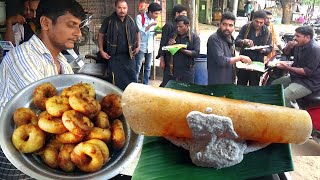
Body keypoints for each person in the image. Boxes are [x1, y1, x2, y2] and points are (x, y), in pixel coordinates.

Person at [0, 0, 85, 178]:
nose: (78, 33)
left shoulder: (63, 62)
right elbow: (46, 110)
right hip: (16, 154)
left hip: (45, 153)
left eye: (79, 26)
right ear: (45, 23)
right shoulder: (23, 58)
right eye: (71, 25)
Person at [271, 26, 320, 107]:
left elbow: (307, 72)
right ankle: (291, 105)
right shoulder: (299, 45)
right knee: (274, 85)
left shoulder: (315, 49)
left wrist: (286, 68)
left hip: (309, 82)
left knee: (283, 96)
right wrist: (288, 47)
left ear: (307, 37)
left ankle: (292, 115)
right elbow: (286, 53)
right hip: (296, 77)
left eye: (298, 36)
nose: (294, 38)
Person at [98, 0, 140, 90]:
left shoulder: (131, 20)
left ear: (127, 8)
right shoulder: (108, 21)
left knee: (132, 79)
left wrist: (139, 46)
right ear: (115, 8)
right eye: (119, 8)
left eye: (124, 8)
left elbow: (138, 32)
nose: (122, 10)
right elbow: (100, 34)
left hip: (129, 56)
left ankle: (130, 98)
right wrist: (101, 50)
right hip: (114, 57)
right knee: (115, 81)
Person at [207, 12, 251, 85]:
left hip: (229, 79)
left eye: (231, 25)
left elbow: (230, 58)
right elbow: (222, 60)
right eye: (224, 24)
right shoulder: (214, 39)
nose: (227, 28)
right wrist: (239, 58)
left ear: (234, 27)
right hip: (217, 81)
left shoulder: (230, 38)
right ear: (220, 24)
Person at [235, 10, 272, 86]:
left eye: (261, 22)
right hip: (243, 63)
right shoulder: (246, 28)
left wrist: (264, 50)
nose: (258, 24)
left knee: (254, 85)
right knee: (241, 84)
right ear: (253, 19)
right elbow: (236, 41)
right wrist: (244, 41)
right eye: (256, 21)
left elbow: (270, 48)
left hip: (257, 64)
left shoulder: (267, 32)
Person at [156, 4, 188, 87]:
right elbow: (162, 43)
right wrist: (162, 59)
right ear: (177, 14)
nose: (185, 16)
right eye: (183, 14)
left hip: (178, 59)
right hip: (168, 57)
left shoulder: (185, 26)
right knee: (167, 80)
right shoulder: (168, 26)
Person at [164, 15, 200, 84]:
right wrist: (169, 45)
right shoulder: (173, 36)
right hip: (174, 72)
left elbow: (196, 53)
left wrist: (180, 49)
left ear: (187, 26)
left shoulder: (194, 38)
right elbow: (166, 52)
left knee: (187, 92)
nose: (178, 29)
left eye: (181, 27)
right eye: (177, 27)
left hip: (187, 72)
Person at [135, 2, 162, 84]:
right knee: (138, 67)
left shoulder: (155, 20)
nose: (157, 16)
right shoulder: (140, 17)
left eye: (158, 14)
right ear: (150, 12)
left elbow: (153, 32)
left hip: (150, 47)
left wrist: (156, 31)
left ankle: (146, 84)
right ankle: (134, 84)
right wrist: (150, 25)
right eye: (156, 13)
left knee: (148, 68)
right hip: (141, 46)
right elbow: (139, 32)